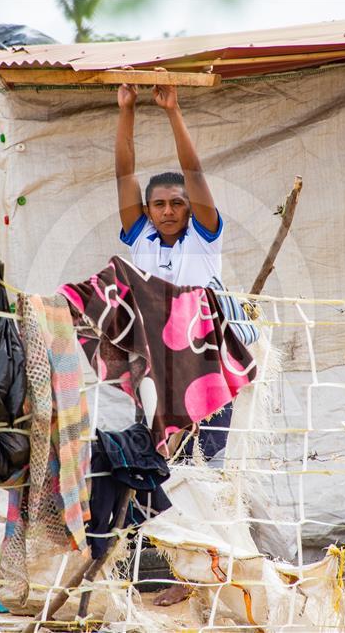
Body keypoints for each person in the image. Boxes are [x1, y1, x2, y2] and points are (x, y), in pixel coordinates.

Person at [114, 80, 231, 606]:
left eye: (176, 203)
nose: (167, 211)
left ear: (189, 208)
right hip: (153, 374)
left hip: (206, 371)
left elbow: (195, 173)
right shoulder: (140, 237)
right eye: (158, 204)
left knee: (205, 471)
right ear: (147, 209)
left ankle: (205, 574)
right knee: (155, 468)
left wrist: (172, 111)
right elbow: (123, 175)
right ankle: (171, 569)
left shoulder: (204, 240)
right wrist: (127, 110)